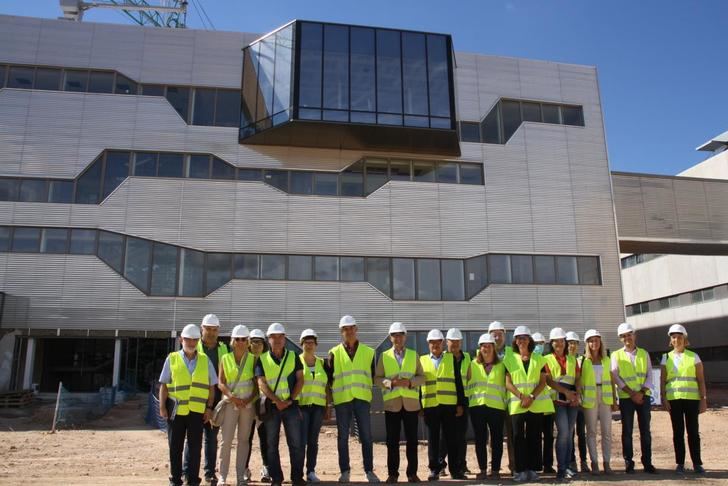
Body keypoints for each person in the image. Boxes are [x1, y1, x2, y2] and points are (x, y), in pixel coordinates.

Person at [159, 324, 218, 486]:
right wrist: (162, 407)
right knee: (175, 448)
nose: (191, 343)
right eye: (188, 339)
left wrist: (209, 408)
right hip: (176, 411)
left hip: (197, 412)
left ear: (198, 341)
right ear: (181, 340)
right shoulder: (172, 358)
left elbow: (211, 387)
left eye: (194, 340)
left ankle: (193, 480)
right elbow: (164, 385)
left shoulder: (205, 360)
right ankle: (175, 479)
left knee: (194, 448)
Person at [326, 315, 380, 483]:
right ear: (341, 332)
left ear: (356, 329)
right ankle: (345, 471)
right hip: (342, 400)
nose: (348, 331)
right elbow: (329, 380)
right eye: (345, 329)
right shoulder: (333, 353)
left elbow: (372, 376)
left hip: (362, 399)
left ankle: (369, 471)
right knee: (343, 437)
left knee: (366, 436)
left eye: (351, 328)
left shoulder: (369, 352)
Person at [255, 323, 305, 486]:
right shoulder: (262, 359)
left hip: (291, 406)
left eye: (279, 337)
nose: (276, 340)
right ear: (268, 340)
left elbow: (300, 380)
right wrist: (277, 401)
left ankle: (297, 478)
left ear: (284, 339)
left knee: (296, 443)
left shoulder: (294, 356)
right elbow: (261, 383)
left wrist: (289, 400)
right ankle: (276, 478)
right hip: (272, 407)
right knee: (271, 444)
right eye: (273, 337)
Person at [374, 322, 425, 483]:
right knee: (392, 441)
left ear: (405, 337)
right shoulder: (384, 356)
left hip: (410, 404)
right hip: (392, 405)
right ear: (390, 338)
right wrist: (392, 383)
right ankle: (393, 474)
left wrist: (410, 383)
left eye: (400, 335)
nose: (398, 338)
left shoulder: (413, 355)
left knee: (412, 441)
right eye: (394, 335)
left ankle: (412, 474)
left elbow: (422, 377)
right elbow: (377, 379)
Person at [184, 313, 229, 486]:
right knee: (192, 438)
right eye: (208, 329)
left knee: (211, 438)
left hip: (216, 401)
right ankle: (187, 473)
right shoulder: (194, 346)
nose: (210, 332)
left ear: (218, 331)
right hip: (195, 399)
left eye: (214, 329)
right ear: (202, 329)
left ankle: (210, 473)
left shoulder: (224, 349)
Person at [660, 324, 707, 475]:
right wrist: (664, 399)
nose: (676, 340)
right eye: (674, 337)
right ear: (670, 340)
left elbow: (701, 380)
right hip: (674, 400)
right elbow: (662, 380)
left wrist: (703, 399)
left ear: (684, 339)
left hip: (692, 400)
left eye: (679, 337)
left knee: (693, 432)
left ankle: (697, 464)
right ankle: (680, 463)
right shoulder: (666, 357)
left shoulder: (694, 357)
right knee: (677, 432)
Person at [611, 322, 657, 474]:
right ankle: (628, 462)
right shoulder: (616, 355)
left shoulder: (644, 353)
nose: (627, 338)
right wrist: (632, 393)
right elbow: (615, 376)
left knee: (645, 431)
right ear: (620, 339)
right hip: (626, 397)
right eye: (623, 336)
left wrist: (641, 393)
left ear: (634, 335)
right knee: (627, 431)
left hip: (643, 397)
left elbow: (650, 375)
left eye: (629, 335)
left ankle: (647, 462)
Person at [217, 325, 257, 486]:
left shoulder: (253, 359)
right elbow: (221, 382)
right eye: (238, 339)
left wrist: (248, 400)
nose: (240, 342)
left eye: (243, 339)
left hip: (247, 406)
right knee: (226, 441)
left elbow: (256, 384)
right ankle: (223, 476)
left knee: (243, 440)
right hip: (230, 404)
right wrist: (232, 397)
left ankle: (241, 477)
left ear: (248, 342)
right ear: (233, 341)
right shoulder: (225, 358)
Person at [420, 329, 461, 480]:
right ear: (428, 344)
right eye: (432, 342)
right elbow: (419, 386)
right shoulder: (422, 360)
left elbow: (458, 383)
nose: (435, 345)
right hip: (430, 405)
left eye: (438, 342)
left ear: (443, 343)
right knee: (433, 440)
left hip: (449, 405)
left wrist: (460, 403)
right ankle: (434, 469)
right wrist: (420, 405)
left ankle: (455, 470)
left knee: (451, 438)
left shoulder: (451, 359)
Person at [466, 333, 507, 480]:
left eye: (489, 346)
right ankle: (483, 469)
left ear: (494, 348)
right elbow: (467, 384)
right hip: (477, 406)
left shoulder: (502, 365)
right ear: (479, 348)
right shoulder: (472, 364)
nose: (486, 349)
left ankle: (495, 470)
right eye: (483, 346)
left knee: (497, 439)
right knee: (480, 439)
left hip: (496, 407)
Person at [544, 328, 581, 481]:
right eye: (555, 341)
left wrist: (576, 395)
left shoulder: (572, 359)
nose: (559, 343)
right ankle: (561, 468)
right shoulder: (546, 359)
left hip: (572, 401)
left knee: (569, 434)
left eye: (561, 341)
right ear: (551, 343)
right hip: (557, 401)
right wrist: (566, 393)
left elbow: (577, 378)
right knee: (563, 433)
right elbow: (548, 381)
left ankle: (568, 467)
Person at [580, 329, 616, 475]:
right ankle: (594, 462)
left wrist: (614, 399)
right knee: (592, 432)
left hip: (605, 397)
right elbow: (579, 382)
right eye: (591, 341)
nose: (594, 343)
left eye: (596, 340)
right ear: (587, 343)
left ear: (600, 342)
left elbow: (612, 381)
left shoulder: (607, 360)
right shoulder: (582, 361)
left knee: (607, 431)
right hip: (590, 398)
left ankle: (607, 463)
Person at [437, 328, 470, 478]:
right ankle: (441, 464)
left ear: (461, 342)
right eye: (452, 341)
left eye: (457, 341)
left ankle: (461, 464)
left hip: (463, 402)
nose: (455, 344)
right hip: (447, 402)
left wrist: (462, 403)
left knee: (461, 436)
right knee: (445, 436)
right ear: (447, 342)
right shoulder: (442, 358)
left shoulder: (468, 358)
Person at [298, 329, 329, 483]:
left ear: (316, 345)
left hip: (318, 407)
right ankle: (297, 471)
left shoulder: (322, 363)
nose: (309, 345)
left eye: (311, 343)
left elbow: (326, 386)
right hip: (302, 407)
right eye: (306, 343)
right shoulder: (296, 362)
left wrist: (327, 406)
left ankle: (310, 471)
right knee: (301, 441)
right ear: (301, 344)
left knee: (313, 441)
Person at [488, 320, 515, 474]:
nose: (497, 337)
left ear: (504, 335)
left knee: (513, 436)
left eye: (499, 334)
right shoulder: (485, 352)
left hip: (512, 401)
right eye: (494, 334)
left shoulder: (512, 353)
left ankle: (514, 465)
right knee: (493, 437)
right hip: (494, 402)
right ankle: (494, 467)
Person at [244, 329, 270, 482]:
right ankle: (244, 469)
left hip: (262, 405)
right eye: (254, 341)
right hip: (247, 404)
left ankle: (266, 468)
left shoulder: (267, 360)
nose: (256, 344)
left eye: (259, 342)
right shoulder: (244, 360)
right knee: (246, 438)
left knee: (264, 438)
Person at [566, 331, 589, 474]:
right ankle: (571, 461)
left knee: (582, 432)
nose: (572, 346)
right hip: (567, 401)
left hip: (580, 401)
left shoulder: (583, 360)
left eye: (575, 343)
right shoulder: (565, 360)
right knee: (569, 433)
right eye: (570, 343)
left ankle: (584, 461)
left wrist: (580, 395)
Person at [532, 332, 554, 474]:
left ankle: (548, 464)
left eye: (541, 344)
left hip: (546, 404)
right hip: (534, 406)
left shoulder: (546, 361)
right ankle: (536, 465)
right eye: (536, 344)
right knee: (535, 438)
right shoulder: (531, 362)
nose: (539, 346)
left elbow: (550, 380)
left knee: (549, 437)